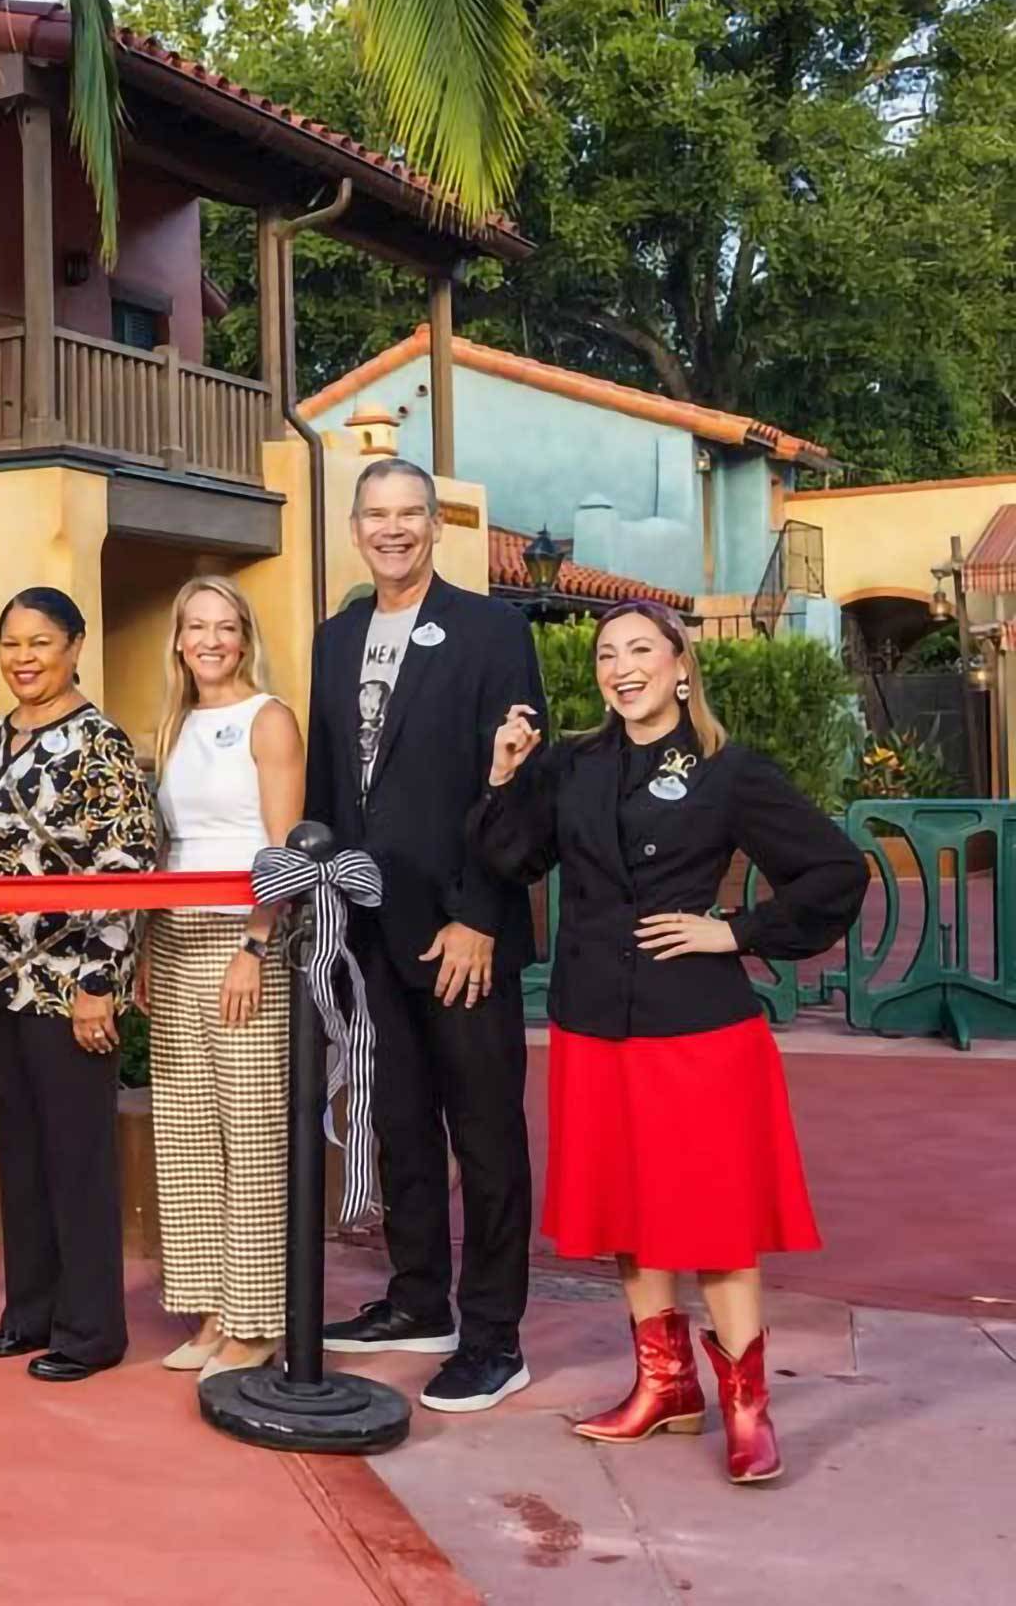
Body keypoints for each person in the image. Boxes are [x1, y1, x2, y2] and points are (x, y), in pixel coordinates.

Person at [472, 601, 863, 1484]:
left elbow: (837, 869)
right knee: (626, 1211)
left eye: (640, 648)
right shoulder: (573, 763)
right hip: (593, 1019)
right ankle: (666, 1383)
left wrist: (738, 930)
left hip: (697, 1025)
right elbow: (508, 860)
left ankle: (748, 1405)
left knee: (715, 1219)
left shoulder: (727, 770)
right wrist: (504, 777)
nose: (622, 665)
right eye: (608, 653)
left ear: (681, 663)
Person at [306, 457, 546, 1414]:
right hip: (367, 936)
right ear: (355, 527)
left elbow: (520, 781)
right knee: (399, 1123)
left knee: (484, 1137)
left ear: (435, 524)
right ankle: (418, 1302)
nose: (392, 529)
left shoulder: (493, 631)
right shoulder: (333, 639)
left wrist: (481, 914)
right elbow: (331, 788)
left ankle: (494, 1336)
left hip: (462, 933)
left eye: (410, 514)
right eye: (377, 515)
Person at [0, 587, 159, 1383]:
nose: (24, 658)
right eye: (12, 643)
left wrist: (102, 981)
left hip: (69, 982)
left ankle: (91, 1329)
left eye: (41, 642)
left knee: (77, 1156)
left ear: (75, 645)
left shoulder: (99, 742)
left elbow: (129, 866)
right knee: (21, 1153)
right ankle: (28, 1310)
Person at [136, 576, 302, 1385]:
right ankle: (213, 1306)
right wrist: (142, 949)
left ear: (245, 635)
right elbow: (165, 846)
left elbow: (282, 846)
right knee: (189, 1131)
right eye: (195, 625)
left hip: (242, 940)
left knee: (252, 1127)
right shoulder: (173, 724)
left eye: (225, 626)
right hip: (173, 934)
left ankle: (259, 1317)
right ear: (178, 639)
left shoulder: (268, 719)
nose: (210, 640)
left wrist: (255, 946)